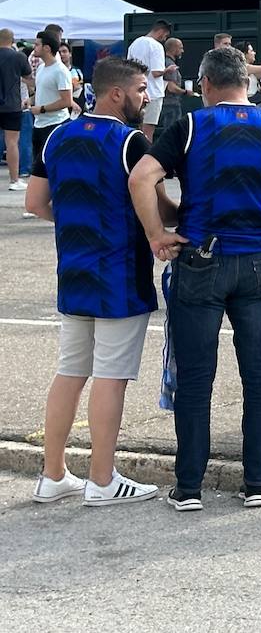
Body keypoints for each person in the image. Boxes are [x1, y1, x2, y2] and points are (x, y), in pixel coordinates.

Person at [128, 46, 261, 511]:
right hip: (259, 259)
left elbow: (141, 178)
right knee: (259, 373)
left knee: (196, 376)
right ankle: (258, 482)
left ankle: (190, 486)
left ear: (206, 84)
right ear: (248, 81)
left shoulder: (192, 125)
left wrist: (158, 232)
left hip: (200, 255)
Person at [26, 58, 171, 506]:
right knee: (112, 376)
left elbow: (35, 203)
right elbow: (159, 206)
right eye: (141, 89)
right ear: (116, 93)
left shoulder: (56, 137)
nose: (145, 97)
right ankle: (103, 479)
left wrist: (75, 222)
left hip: (73, 271)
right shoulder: (130, 142)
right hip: (119, 275)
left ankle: (53, 475)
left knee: (70, 372)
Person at [30, 30, 74, 160]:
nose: (34, 48)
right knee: (39, 166)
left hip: (55, 124)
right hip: (39, 124)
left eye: (37, 45)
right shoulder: (41, 68)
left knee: (52, 164)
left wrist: (42, 109)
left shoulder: (61, 71)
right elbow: (43, 91)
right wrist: (31, 100)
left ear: (47, 48)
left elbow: (66, 101)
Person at [127, 19, 172, 141]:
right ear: (161, 32)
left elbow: (129, 69)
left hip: (136, 93)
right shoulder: (156, 46)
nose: (165, 39)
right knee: (148, 133)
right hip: (153, 94)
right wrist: (168, 70)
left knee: (138, 130)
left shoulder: (134, 43)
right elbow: (156, 72)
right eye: (166, 35)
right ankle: (145, 156)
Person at [2, 28, 35, 190]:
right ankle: (14, 180)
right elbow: (28, 76)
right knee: (12, 143)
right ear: (12, 40)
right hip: (12, 104)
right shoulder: (18, 57)